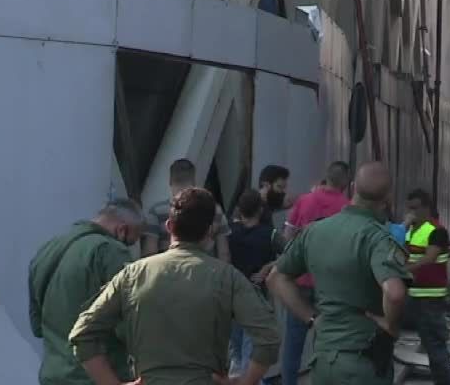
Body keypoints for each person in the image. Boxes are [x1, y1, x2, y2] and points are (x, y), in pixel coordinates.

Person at [70, 188, 279, 385]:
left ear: (169, 226)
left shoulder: (133, 275)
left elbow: (83, 335)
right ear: (210, 231)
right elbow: (268, 338)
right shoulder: (227, 277)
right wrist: (245, 382)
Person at [267, 162, 410, 384]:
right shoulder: (378, 239)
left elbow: (276, 278)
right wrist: (390, 325)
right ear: (387, 199)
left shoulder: (314, 231)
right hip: (365, 362)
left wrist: (311, 317)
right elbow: (395, 293)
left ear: (353, 187)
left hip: (323, 359)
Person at [30, 199, 144, 385]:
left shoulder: (47, 249)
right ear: (121, 230)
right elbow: (129, 323)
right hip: (98, 376)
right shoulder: (112, 251)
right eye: (130, 242)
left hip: (52, 375)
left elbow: (36, 325)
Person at [277, 159, 351, 385]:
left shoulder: (304, 201)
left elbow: (287, 239)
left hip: (298, 282)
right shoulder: (348, 208)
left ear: (326, 177)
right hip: (330, 285)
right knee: (328, 342)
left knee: (293, 342)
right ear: (346, 182)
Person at [402, 188, 450, 385]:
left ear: (426, 208)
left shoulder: (437, 231)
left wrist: (405, 269)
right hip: (410, 294)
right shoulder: (410, 230)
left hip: (429, 298)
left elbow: (430, 257)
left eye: (415, 208)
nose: (411, 212)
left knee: (434, 345)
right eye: (409, 208)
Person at [226, 189, 279, 378]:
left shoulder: (230, 232)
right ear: (260, 210)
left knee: (236, 355)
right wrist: (267, 268)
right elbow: (290, 254)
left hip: (231, 297)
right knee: (253, 354)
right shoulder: (270, 234)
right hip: (257, 298)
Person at [142, 158, 231, 262]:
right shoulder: (215, 210)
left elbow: (150, 251)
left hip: (168, 272)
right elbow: (224, 253)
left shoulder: (156, 211)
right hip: (205, 271)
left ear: (170, 181)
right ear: (193, 181)